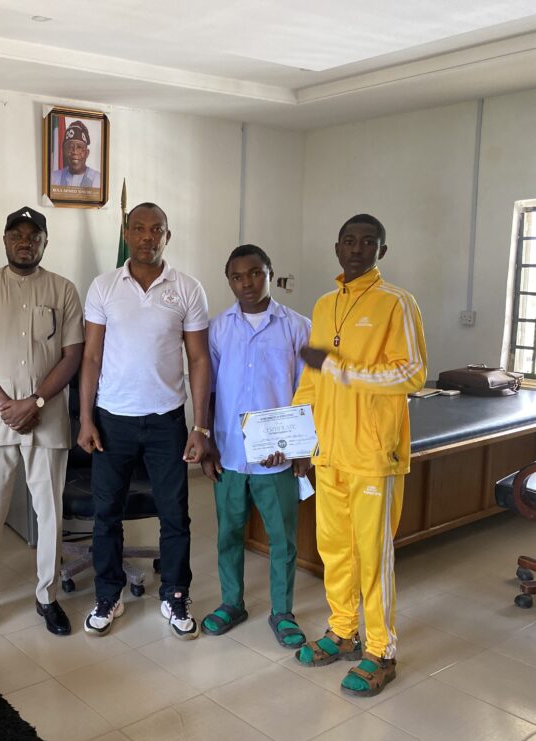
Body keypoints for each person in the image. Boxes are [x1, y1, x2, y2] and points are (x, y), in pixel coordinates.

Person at [292, 214, 426, 697]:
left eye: (368, 242)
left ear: (381, 252)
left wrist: (342, 370)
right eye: (349, 240)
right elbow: (311, 379)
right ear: (336, 247)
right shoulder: (325, 305)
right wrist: (295, 438)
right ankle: (342, 630)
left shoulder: (396, 303)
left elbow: (411, 373)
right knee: (335, 550)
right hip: (329, 453)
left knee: (373, 555)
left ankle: (381, 650)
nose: (357, 248)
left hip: (373, 454)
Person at [78, 202, 213, 640]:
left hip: (165, 422)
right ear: (126, 232)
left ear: (167, 237)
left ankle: (175, 595)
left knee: (175, 514)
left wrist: (200, 426)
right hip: (112, 420)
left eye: (156, 230)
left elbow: (197, 358)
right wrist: (85, 418)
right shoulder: (103, 286)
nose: (147, 237)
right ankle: (108, 593)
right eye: (138, 228)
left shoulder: (188, 289)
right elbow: (92, 356)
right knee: (106, 515)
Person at [0, 206, 84, 639]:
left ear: (46, 242)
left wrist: (37, 401)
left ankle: (47, 597)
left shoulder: (63, 290)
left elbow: (72, 356)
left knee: (50, 513)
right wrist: (7, 405)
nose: (25, 241)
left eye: (34, 235)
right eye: (16, 234)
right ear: (5, 239)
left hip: (47, 421)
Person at [200, 244, 311, 648]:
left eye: (255, 273)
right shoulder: (217, 328)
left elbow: (308, 392)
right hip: (229, 452)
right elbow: (206, 390)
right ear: (227, 279)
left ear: (270, 273)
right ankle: (232, 603)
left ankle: (282, 612)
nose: (246, 283)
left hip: (277, 457)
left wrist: (301, 448)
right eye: (237, 276)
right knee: (229, 533)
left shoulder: (298, 327)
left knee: (282, 539)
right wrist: (206, 442)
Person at [51, 120, 100, 189]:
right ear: (64, 151)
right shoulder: (53, 178)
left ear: (87, 153)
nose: (75, 151)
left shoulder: (98, 179)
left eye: (79, 147)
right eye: (70, 147)